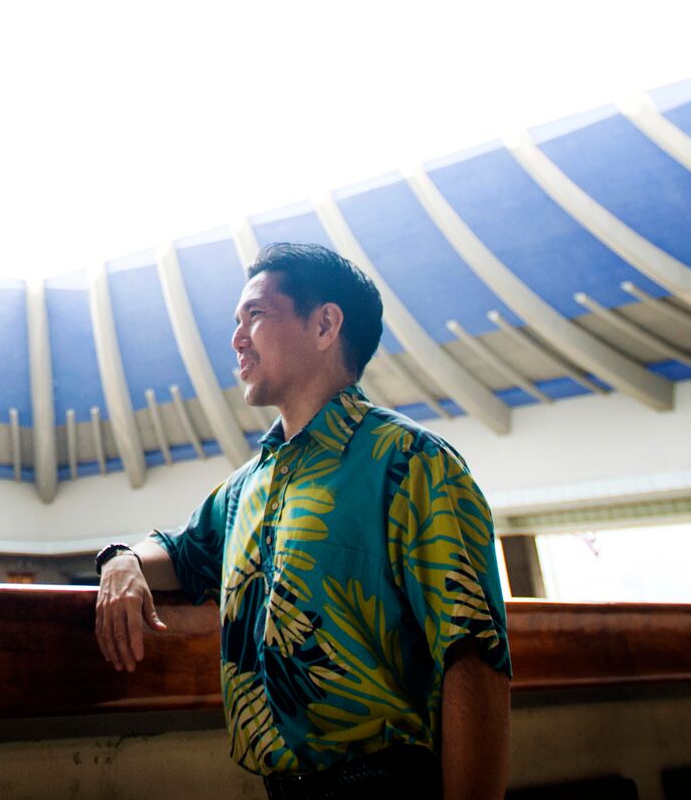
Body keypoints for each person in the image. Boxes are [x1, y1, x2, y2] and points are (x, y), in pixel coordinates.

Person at [93, 242, 509, 800]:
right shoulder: (247, 487)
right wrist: (121, 561)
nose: (237, 338)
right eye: (236, 322)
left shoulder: (412, 463)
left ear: (325, 324)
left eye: (255, 316)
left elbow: (472, 656)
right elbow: (182, 551)